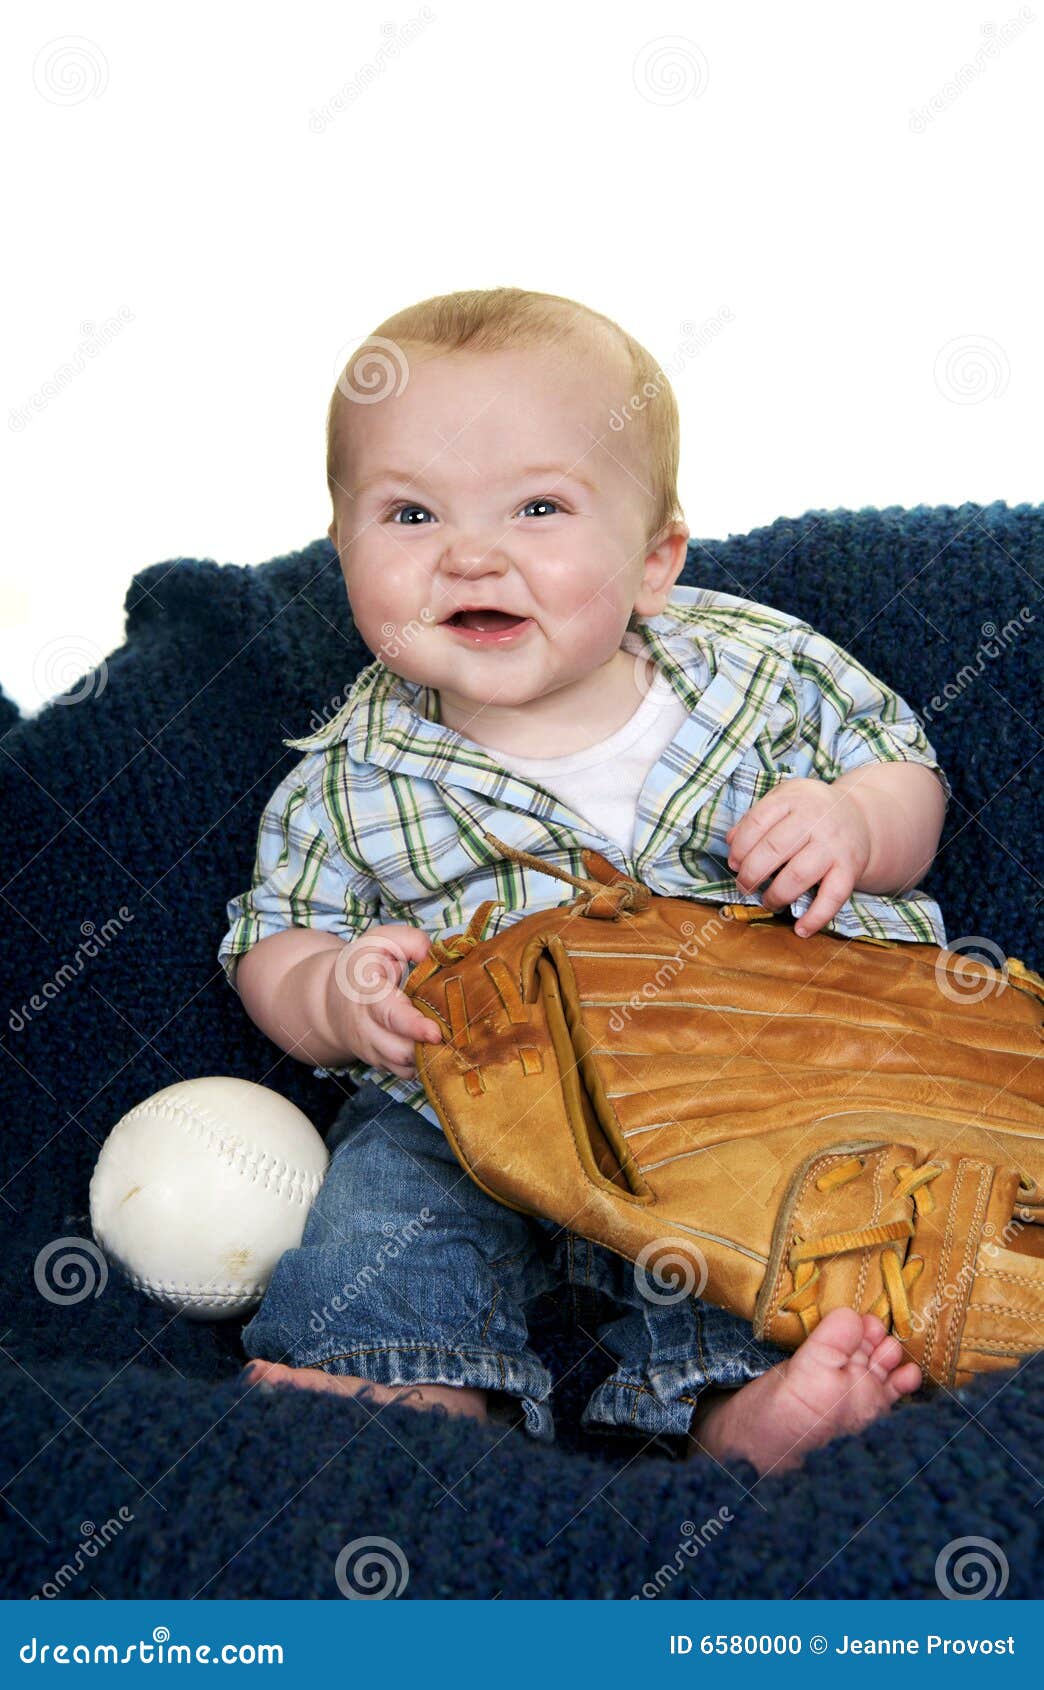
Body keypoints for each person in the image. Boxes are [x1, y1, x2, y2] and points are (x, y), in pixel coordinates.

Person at [218, 287, 950, 1476]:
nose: (468, 552)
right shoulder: (349, 771)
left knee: (775, 1209)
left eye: (539, 507)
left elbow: (906, 779)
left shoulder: (752, 671)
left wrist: (851, 823)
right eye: (409, 513)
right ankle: (400, 1377)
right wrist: (335, 991)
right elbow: (276, 938)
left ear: (654, 559)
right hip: (484, 1095)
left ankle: (740, 1405)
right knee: (392, 1188)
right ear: (340, 551)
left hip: (752, 1063)